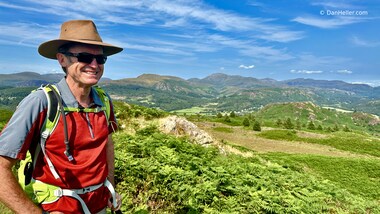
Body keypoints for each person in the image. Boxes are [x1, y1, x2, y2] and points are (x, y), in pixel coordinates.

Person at [0, 20, 123, 213]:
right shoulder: (40, 102)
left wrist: (110, 185)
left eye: (101, 59)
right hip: (58, 206)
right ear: (62, 59)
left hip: (99, 205)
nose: (94, 64)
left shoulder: (103, 101)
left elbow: (107, 144)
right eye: (84, 57)